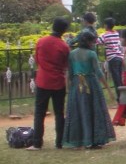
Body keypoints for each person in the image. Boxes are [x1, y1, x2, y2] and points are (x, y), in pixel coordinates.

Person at [62, 30, 116, 149]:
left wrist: (68, 88)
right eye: (92, 42)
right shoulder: (91, 54)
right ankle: (93, 140)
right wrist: (108, 88)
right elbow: (98, 72)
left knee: (79, 111)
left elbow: (69, 72)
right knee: (93, 110)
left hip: (76, 84)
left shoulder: (72, 54)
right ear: (87, 41)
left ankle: (80, 139)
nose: (93, 44)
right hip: (91, 84)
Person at [28, 17, 71, 150]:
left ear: (53, 26)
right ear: (64, 30)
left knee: (39, 113)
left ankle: (37, 143)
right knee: (59, 113)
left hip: (43, 80)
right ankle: (59, 142)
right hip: (58, 82)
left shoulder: (41, 41)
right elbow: (66, 64)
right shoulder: (64, 46)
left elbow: (37, 59)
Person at [98, 18, 124, 100]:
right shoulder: (117, 33)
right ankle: (123, 95)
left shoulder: (105, 35)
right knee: (120, 77)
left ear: (106, 25)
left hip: (112, 58)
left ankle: (120, 97)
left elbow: (98, 41)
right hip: (120, 57)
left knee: (116, 79)